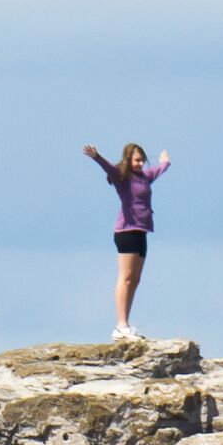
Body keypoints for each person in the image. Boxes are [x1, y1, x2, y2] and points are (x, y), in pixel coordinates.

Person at [81, 142, 169, 338]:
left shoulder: (145, 177)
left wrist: (165, 161)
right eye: (136, 160)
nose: (140, 164)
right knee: (125, 277)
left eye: (142, 161)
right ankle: (120, 325)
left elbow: (159, 170)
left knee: (135, 280)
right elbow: (108, 168)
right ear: (128, 160)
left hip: (142, 231)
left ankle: (126, 324)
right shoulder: (122, 177)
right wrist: (96, 156)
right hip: (126, 231)